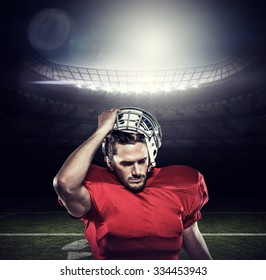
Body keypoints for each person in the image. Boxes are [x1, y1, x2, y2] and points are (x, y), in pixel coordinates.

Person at [53, 107, 212, 260]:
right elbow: (65, 184)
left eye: (142, 161)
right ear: (110, 162)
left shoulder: (182, 184)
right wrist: (102, 130)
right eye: (127, 164)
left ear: (152, 154)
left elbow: (191, 235)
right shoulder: (95, 187)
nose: (137, 171)